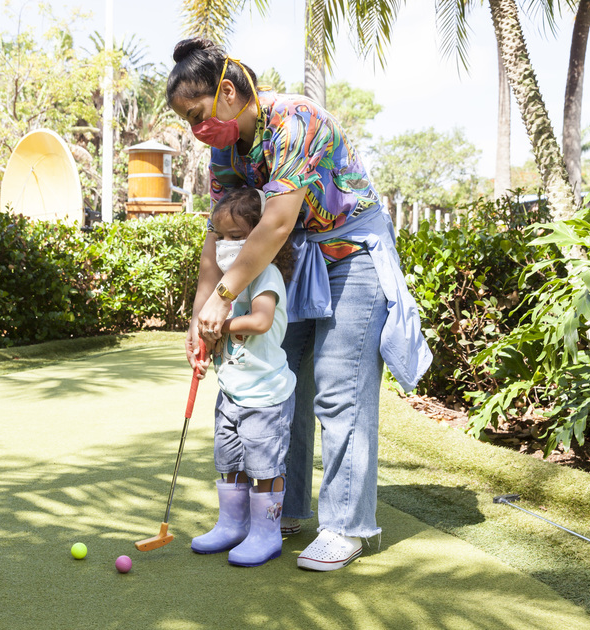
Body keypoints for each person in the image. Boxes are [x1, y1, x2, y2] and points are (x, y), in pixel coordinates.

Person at [168, 38, 432, 572]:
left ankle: (345, 526)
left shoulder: (295, 120)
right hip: (293, 259)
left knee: (339, 391)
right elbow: (219, 235)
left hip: (349, 253)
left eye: (198, 115)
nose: (198, 131)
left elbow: (278, 221)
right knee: (278, 381)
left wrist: (225, 298)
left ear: (227, 91)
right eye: (187, 122)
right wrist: (201, 312)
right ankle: (280, 514)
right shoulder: (226, 150)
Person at [191, 186, 296, 568]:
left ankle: (265, 533)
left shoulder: (264, 274)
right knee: (229, 458)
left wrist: (222, 321)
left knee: (265, 467)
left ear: (258, 236)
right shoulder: (224, 282)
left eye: (238, 237)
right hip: (232, 393)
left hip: (266, 397)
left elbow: (261, 320)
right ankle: (232, 525)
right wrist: (204, 348)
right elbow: (213, 331)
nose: (226, 245)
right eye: (221, 236)